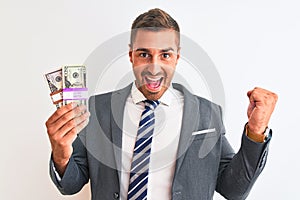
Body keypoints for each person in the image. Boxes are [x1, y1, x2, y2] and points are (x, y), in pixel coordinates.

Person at [45, 8, 278, 200]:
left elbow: (234, 189)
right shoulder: (98, 109)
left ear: (177, 56)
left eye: (165, 55)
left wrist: (256, 132)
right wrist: (61, 154)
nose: (154, 67)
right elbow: (71, 185)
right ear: (131, 55)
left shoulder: (206, 114)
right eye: (144, 54)